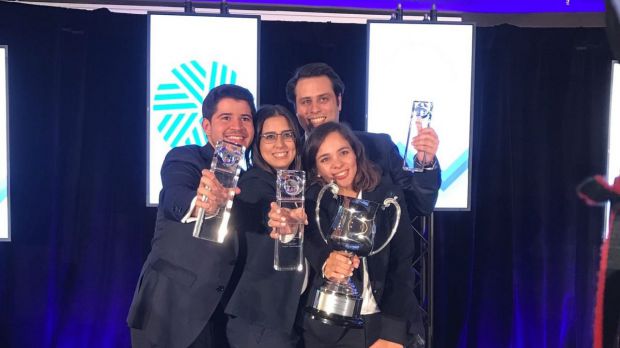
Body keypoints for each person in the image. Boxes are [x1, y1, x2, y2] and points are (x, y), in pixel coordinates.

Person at [127, 84, 256, 348]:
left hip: (224, 320)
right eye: (226, 118)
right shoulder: (186, 158)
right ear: (206, 126)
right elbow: (175, 195)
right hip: (171, 312)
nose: (237, 127)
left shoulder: (251, 180)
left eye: (245, 118)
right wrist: (202, 204)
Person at [294, 122, 421, 348]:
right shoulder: (311, 202)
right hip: (329, 330)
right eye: (325, 159)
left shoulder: (388, 197)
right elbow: (312, 243)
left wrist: (392, 333)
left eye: (343, 152)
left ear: (356, 152)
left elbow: (401, 266)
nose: (337, 164)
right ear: (316, 169)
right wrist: (327, 263)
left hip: (384, 325)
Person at [285, 62, 441, 218]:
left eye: (323, 99)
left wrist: (425, 163)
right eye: (306, 102)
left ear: (339, 101)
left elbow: (420, 206)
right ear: (296, 108)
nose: (314, 109)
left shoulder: (380, 146)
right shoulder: (289, 159)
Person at [224, 105, 307, 348]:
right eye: (270, 137)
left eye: (287, 134)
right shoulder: (253, 184)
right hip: (260, 322)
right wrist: (283, 221)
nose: (280, 144)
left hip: (288, 318)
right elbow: (263, 210)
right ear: (257, 144)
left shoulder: (298, 182)